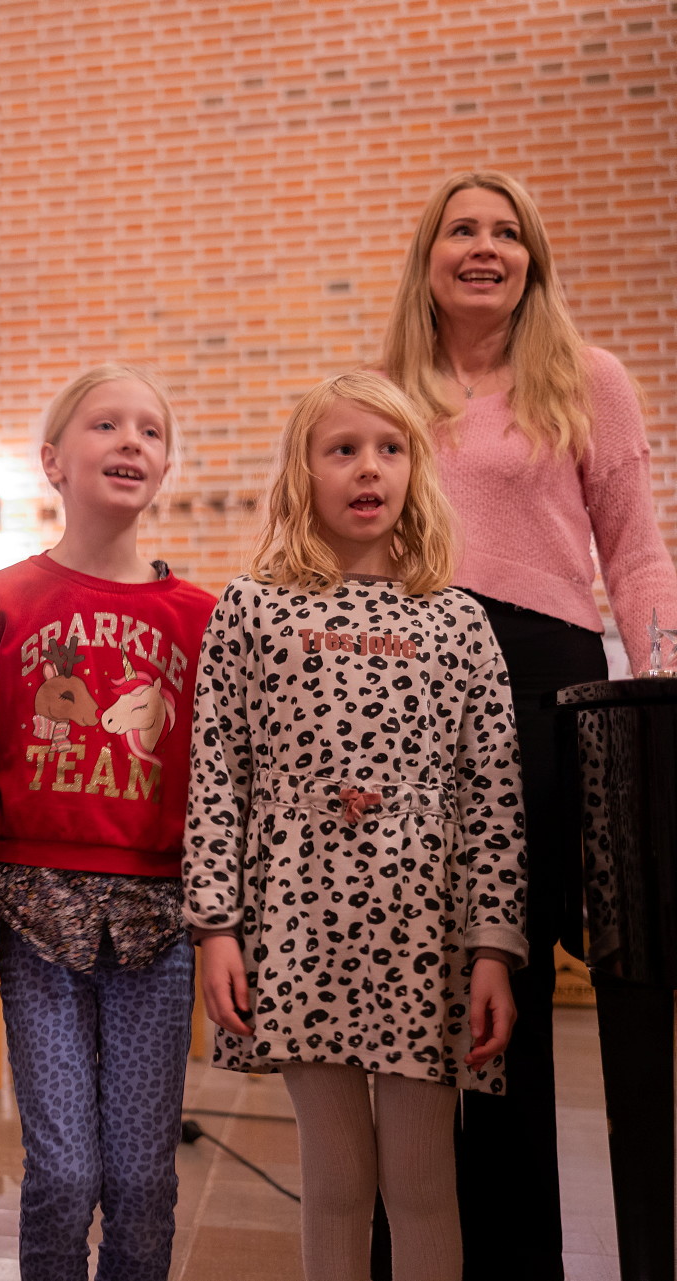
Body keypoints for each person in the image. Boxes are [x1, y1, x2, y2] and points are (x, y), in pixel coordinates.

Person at [379, 169, 677, 1281]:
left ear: (531, 261)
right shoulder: (386, 390)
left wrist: (660, 685)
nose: (484, 248)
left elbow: (635, 551)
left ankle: (515, 1259)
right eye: (461, 229)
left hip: (543, 677)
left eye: (507, 233)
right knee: (411, 960)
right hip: (409, 681)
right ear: (429, 258)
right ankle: (409, 1248)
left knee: (515, 971)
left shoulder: (588, 378)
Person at [185, 372, 525, 1281]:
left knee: (422, 1181)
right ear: (303, 471)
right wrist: (216, 927)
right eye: (343, 450)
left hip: (425, 934)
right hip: (298, 926)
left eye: (390, 449)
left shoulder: (459, 621)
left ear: (417, 469)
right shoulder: (251, 609)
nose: (369, 468)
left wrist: (494, 946)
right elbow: (217, 778)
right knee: (335, 1179)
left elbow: (492, 795)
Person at [0, 366, 216, 1281]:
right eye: (106, 424)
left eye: (151, 429)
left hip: (160, 919)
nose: (131, 440)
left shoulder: (203, 618)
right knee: (62, 1176)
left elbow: (224, 787)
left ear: (167, 465)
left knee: (142, 1180)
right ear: (52, 461)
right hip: (35, 916)